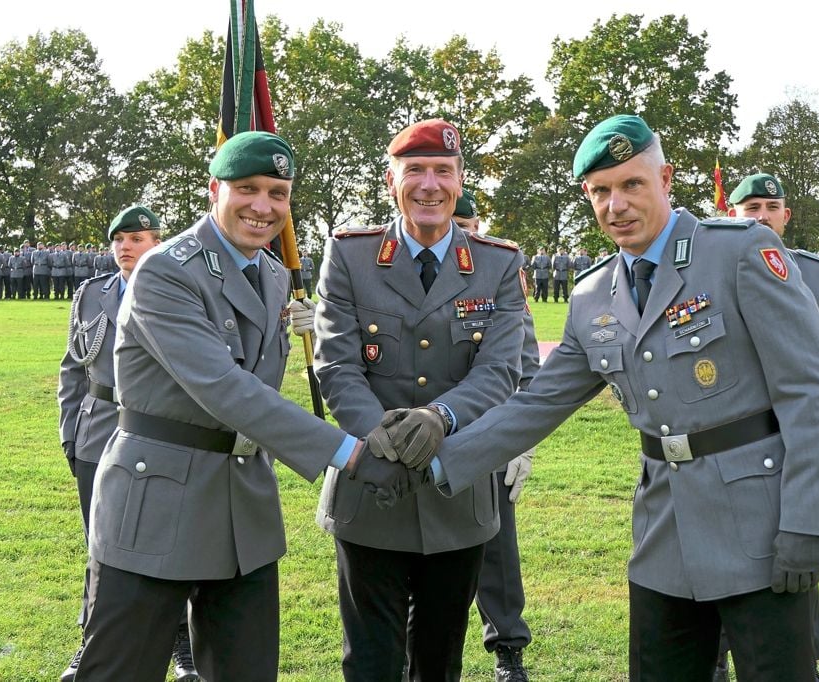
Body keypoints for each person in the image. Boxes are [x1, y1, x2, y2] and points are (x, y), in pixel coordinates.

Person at [382, 115, 819, 681]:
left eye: (632, 184)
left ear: (666, 179)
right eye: (601, 191)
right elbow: (538, 404)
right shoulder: (592, 295)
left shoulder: (739, 252)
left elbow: (814, 390)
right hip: (663, 533)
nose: (616, 205)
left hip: (762, 525)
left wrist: (810, 522)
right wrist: (437, 461)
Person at [73, 131, 418, 681]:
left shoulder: (274, 274)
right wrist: (349, 454)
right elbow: (226, 388)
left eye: (278, 193)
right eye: (247, 189)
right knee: (121, 670)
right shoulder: (166, 270)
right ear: (215, 190)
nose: (263, 207)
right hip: (157, 500)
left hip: (243, 509)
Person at [309, 119, 528, 681]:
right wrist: (382, 437)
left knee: (439, 662)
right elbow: (336, 364)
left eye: (443, 172)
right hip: (370, 492)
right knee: (370, 661)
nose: (429, 185)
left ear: (459, 182)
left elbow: (500, 368)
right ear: (392, 181)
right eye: (416, 172)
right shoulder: (350, 256)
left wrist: (440, 416)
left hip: (457, 490)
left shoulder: (498, 263)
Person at [56, 206, 201, 682]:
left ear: (159, 243)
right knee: (99, 546)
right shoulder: (93, 293)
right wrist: (69, 431)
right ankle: (91, 642)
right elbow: (73, 367)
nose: (125, 247)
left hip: (160, 434)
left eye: (137, 238)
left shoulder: (183, 288)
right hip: (98, 431)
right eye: (119, 238)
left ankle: (183, 647)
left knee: (169, 543)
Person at [727, 172, 819, 681]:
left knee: (794, 564)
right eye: (750, 207)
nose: (760, 215)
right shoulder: (702, 269)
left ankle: (804, 657)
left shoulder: (812, 272)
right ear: (731, 213)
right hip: (729, 443)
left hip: (794, 445)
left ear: (786, 216)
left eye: (770, 206)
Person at [452, 187, 536, 681]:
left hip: (490, 431)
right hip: (421, 430)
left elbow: (525, 358)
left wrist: (521, 439)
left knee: (497, 549)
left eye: (468, 227)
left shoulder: (499, 270)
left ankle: (508, 650)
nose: (462, 235)